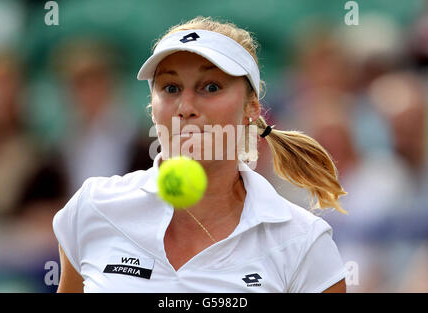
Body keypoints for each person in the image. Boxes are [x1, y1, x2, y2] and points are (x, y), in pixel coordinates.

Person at [53, 16, 347, 293]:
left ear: (251, 107)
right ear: (152, 106)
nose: (186, 106)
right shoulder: (92, 207)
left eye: (211, 87)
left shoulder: (304, 241)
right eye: (170, 88)